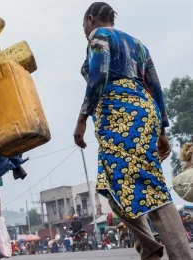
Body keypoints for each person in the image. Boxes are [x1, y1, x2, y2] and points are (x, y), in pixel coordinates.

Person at [73, 2, 193, 260]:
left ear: (91, 19)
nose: (84, 30)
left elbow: (98, 74)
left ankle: (176, 254)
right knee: (109, 184)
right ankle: (150, 248)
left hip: (120, 115)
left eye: (84, 24)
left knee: (147, 185)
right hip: (144, 112)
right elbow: (155, 86)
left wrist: (82, 118)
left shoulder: (99, 36)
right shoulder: (138, 45)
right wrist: (160, 129)